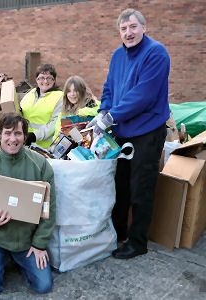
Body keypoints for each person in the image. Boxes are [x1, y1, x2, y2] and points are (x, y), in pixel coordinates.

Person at [89, 8, 170, 259]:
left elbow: (143, 95)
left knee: (140, 187)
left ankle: (138, 243)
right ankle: (118, 234)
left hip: (147, 131)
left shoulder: (156, 53)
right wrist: (103, 112)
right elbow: (109, 87)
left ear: (144, 28)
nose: (128, 33)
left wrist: (112, 117)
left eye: (133, 27)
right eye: (123, 29)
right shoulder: (117, 55)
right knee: (119, 186)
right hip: (122, 131)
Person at [0, 112, 56, 295]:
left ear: (25, 137)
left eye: (18, 133)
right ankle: (3, 259)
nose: (12, 138)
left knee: (43, 286)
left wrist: (40, 244)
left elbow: (50, 209)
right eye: (7, 133)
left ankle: (20, 262)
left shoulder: (41, 165)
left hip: (27, 241)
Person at [20, 63, 63, 148]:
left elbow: (54, 123)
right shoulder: (30, 93)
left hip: (45, 147)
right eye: (42, 78)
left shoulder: (59, 97)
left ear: (54, 80)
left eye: (49, 78)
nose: (45, 81)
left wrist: (33, 136)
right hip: (25, 143)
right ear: (36, 80)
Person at [53, 75, 100, 141]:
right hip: (76, 149)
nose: (72, 94)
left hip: (96, 147)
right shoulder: (64, 114)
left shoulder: (93, 103)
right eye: (69, 91)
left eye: (76, 91)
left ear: (82, 91)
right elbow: (56, 139)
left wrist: (82, 112)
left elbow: (102, 114)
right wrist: (60, 136)